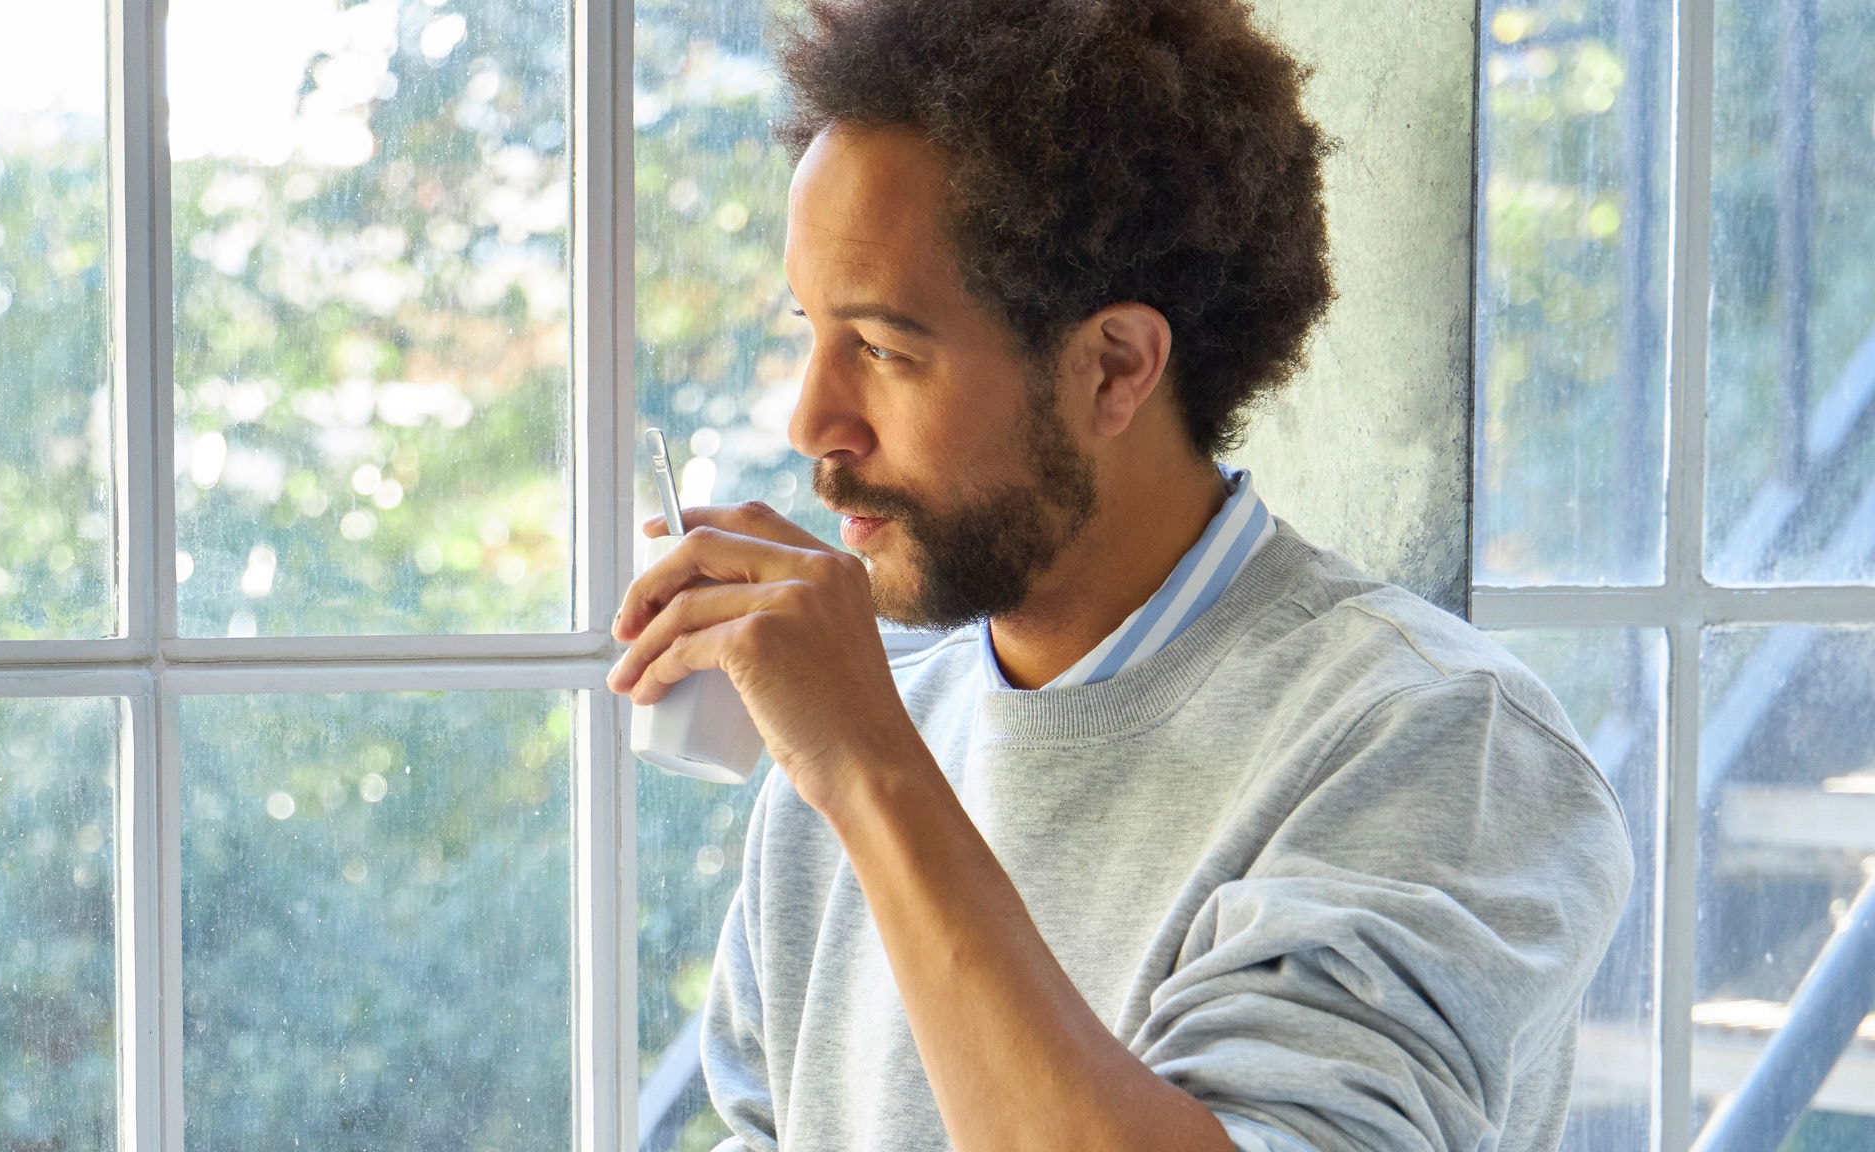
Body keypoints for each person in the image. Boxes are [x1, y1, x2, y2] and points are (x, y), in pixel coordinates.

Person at [605, 0, 1633, 1148]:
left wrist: (868, 772)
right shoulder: (849, 754)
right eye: (808, 331)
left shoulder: (1437, 741)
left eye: (887, 350)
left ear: (1113, 369)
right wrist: (855, 762)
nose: (812, 423)